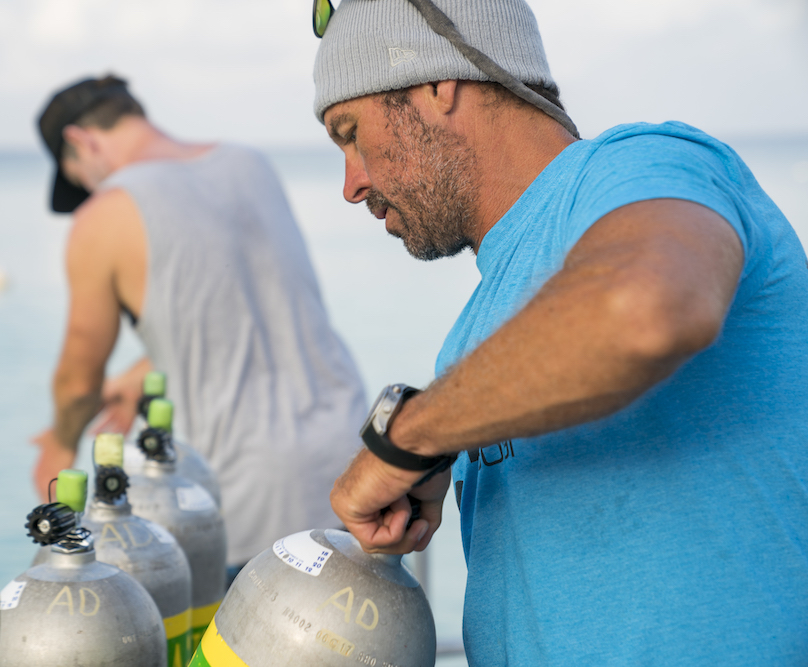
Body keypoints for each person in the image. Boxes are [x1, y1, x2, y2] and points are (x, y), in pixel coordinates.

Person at [313, 0, 808, 663]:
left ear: (439, 82)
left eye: (351, 132)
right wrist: (438, 446)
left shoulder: (646, 163)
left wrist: (408, 436)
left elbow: (645, 306)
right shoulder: (475, 329)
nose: (351, 184)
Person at [30, 74, 368, 571]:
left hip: (247, 505)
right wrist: (145, 369)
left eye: (77, 175)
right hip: (354, 467)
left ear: (81, 141)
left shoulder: (104, 215)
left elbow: (78, 381)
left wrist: (59, 443)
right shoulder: (249, 164)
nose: (87, 189)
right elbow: (250, 307)